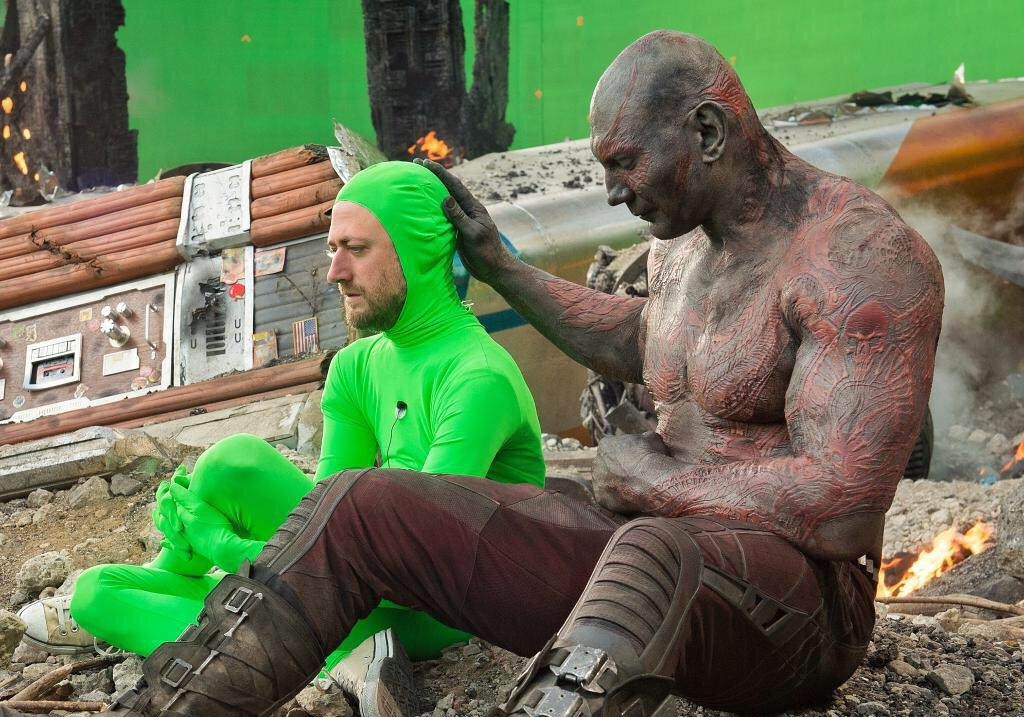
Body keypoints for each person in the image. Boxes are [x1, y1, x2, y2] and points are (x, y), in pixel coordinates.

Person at [70, 30, 942, 717]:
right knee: (362, 502)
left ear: (707, 132)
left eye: (625, 164)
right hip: (646, 534)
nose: (613, 193)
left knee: (650, 548)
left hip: (799, 615)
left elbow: (844, 504)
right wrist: (502, 267)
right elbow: (650, 341)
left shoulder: (856, 257)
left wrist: (660, 482)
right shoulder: (685, 243)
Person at [15, 161, 545, 717]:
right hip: (362, 577)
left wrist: (227, 548)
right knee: (118, 572)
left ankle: (313, 651)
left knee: (132, 601)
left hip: (439, 606)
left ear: (421, 253)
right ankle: (288, 630)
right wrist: (192, 539)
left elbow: (414, 569)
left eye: (356, 250)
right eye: (333, 248)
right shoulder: (357, 365)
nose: (334, 272)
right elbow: (324, 517)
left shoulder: (476, 378)